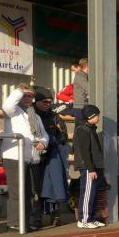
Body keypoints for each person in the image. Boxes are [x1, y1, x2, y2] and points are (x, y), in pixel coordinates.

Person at [0, 85, 48, 232]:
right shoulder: (13, 111)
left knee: (29, 192)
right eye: (24, 95)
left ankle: (25, 222)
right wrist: (20, 90)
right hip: (14, 156)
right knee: (17, 191)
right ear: (18, 96)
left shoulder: (35, 116)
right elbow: (7, 105)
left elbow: (44, 135)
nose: (27, 98)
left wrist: (43, 142)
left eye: (30, 96)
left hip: (31, 158)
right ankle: (14, 222)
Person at [33, 87, 70, 226]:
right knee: (37, 188)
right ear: (36, 101)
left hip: (52, 155)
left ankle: (55, 217)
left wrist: (56, 140)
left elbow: (63, 134)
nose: (48, 104)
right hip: (35, 156)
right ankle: (36, 218)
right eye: (44, 102)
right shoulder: (29, 115)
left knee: (55, 185)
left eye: (50, 102)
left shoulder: (54, 116)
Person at [73, 105, 105, 229]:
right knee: (87, 192)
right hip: (88, 167)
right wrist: (90, 169)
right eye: (97, 115)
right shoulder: (83, 129)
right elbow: (85, 151)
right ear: (90, 116)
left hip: (93, 166)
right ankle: (84, 219)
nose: (98, 118)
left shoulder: (90, 129)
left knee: (92, 193)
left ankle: (91, 218)